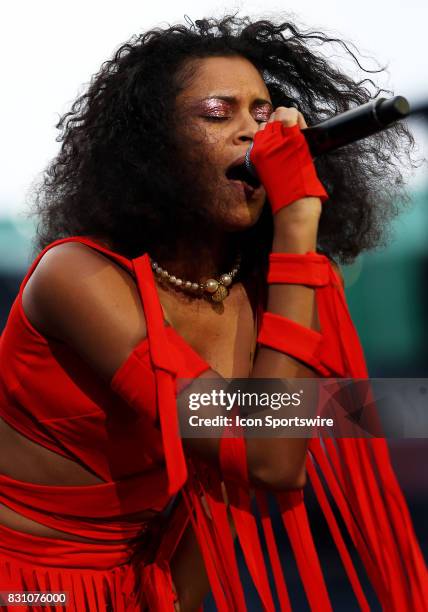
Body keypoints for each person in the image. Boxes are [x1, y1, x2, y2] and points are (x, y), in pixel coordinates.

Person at [0, 15, 426, 611]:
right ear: (153, 146)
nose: (252, 132)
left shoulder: (253, 295)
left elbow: (236, 486)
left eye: (262, 113)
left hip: (138, 585)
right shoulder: (76, 277)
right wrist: (298, 223)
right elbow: (268, 457)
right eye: (217, 112)